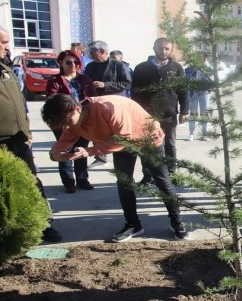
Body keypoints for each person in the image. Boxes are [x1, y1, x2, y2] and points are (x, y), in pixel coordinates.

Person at [41, 94, 189, 242]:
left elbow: (124, 138)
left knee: (161, 180)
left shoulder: (108, 107)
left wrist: (90, 151)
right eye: (62, 125)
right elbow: (61, 146)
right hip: (118, 144)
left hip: (147, 138)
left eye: (67, 122)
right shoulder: (71, 121)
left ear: (77, 109)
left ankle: (177, 223)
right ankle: (133, 225)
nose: (67, 127)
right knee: (124, 183)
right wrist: (57, 155)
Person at [0, 21, 62, 242]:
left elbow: (21, 104)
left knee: (32, 183)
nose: (8, 47)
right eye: (4, 42)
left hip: (19, 140)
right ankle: (2, 237)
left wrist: (27, 131)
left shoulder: (5, 70)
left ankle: (43, 225)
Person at [131, 37, 189, 185]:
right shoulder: (141, 68)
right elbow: (135, 93)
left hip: (168, 114)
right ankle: (148, 176)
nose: (163, 51)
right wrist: (135, 113)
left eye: (167, 49)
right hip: (146, 115)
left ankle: (171, 174)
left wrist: (184, 110)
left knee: (169, 144)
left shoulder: (176, 68)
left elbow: (183, 91)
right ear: (154, 48)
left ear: (171, 50)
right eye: (160, 48)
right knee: (147, 145)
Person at [46, 50, 97, 193]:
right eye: (68, 62)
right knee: (65, 150)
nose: (73, 65)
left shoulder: (85, 80)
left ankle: (82, 179)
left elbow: (93, 99)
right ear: (61, 63)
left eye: (76, 62)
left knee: (81, 150)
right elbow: (51, 100)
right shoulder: (54, 81)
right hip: (64, 122)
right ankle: (68, 182)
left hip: (82, 121)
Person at [84, 40, 132, 168]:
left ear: (102, 51)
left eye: (92, 52)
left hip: (114, 106)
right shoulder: (90, 66)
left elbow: (127, 83)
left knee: (117, 133)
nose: (90, 55)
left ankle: (122, 160)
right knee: (97, 131)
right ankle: (100, 156)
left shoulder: (118, 65)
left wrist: (105, 85)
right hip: (96, 104)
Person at [185, 64, 210, 141]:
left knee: (204, 114)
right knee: (192, 114)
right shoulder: (188, 69)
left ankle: (205, 134)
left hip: (204, 94)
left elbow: (211, 80)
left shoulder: (207, 68)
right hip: (193, 93)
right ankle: (191, 133)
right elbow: (186, 80)